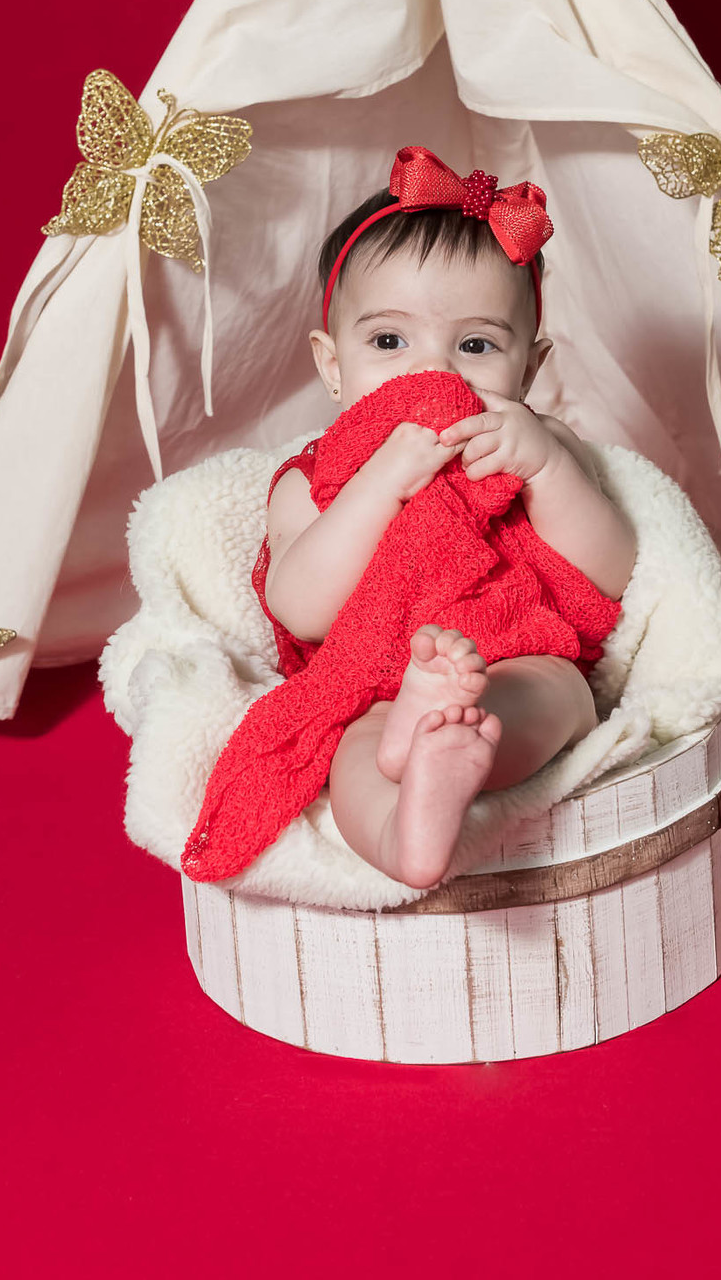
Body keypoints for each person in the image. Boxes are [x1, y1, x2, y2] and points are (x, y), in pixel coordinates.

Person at [255, 145, 638, 891]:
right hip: (375, 682)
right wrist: (380, 484)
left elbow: (614, 572)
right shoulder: (316, 480)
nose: (433, 372)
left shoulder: (537, 445)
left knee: (561, 693)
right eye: (388, 341)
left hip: (514, 659)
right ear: (333, 366)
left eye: (475, 344)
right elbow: (301, 610)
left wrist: (547, 470)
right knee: (351, 752)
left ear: (529, 369)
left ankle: (450, 743)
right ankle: (408, 835)